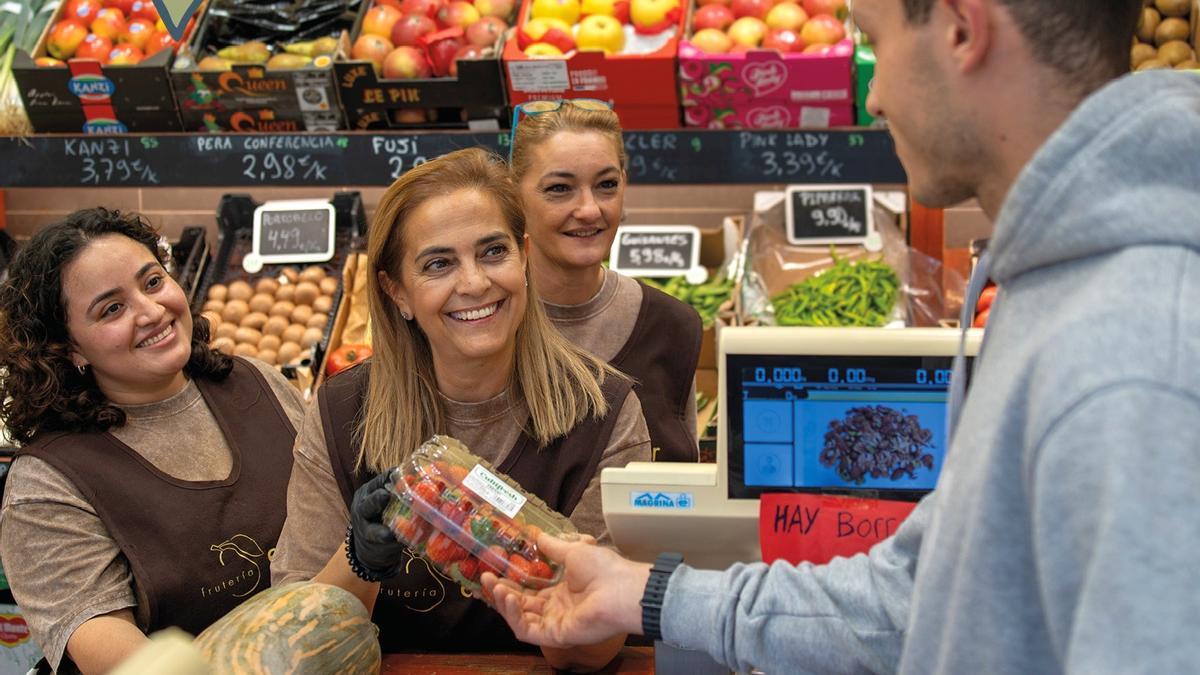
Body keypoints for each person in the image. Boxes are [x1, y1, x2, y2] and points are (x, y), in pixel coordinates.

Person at [483, 1, 1200, 672]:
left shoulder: (1137, 354)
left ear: (959, 29)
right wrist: (650, 594)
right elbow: (920, 595)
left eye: (877, 44)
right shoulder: (1063, 285)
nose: (875, 95)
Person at [269, 148, 651, 671]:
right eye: (438, 264)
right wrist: (360, 558)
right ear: (396, 291)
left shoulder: (604, 413)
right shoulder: (340, 412)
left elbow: (590, 655)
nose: (473, 283)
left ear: (524, 257)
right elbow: (294, 638)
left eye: (493, 252)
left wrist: (534, 573)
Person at [0, 209, 307, 674]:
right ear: (69, 348)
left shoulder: (259, 383)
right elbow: (118, 658)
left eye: (152, 282)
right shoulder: (47, 486)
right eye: (112, 309)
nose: (151, 311)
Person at [509, 99, 703, 463]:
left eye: (606, 185)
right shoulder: (484, 324)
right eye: (559, 189)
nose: (589, 210)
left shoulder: (672, 326)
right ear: (513, 194)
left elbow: (681, 486)